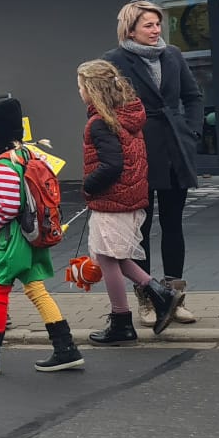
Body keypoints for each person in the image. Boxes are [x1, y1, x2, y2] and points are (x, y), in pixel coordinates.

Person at [0, 98, 85, 375]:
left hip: (16, 239)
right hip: (34, 234)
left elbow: (8, 206)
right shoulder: (28, 155)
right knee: (36, 288)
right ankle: (66, 348)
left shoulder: (4, 163)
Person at [105, 0, 204, 327]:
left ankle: (175, 298)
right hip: (139, 152)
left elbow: (193, 97)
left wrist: (192, 132)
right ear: (130, 28)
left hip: (176, 149)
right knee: (141, 229)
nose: (156, 30)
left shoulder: (173, 55)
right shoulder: (114, 61)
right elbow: (106, 107)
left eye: (158, 24)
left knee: (174, 224)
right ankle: (148, 298)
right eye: (148, 25)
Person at [76, 61, 179, 344]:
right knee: (117, 257)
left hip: (112, 200)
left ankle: (121, 321)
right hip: (130, 197)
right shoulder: (128, 115)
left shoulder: (100, 123)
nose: (80, 92)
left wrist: (87, 186)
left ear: (93, 90)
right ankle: (161, 294)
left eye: (81, 87)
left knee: (107, 258)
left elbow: (111, 165)